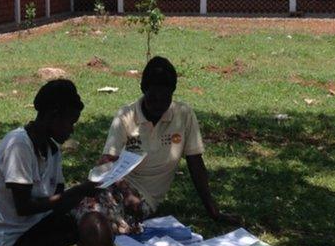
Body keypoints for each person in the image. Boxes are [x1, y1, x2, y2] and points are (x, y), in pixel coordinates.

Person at [87, 56, 237, 229]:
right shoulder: (126, 115)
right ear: (143, 89)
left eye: (164, 99)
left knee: (102, 221)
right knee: (84, 204)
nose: (158, 105)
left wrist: (214, 211)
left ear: (172, 93)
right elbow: (107, 162)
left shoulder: (184, 115)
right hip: (116, 184)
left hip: (143, 198)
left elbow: (195, 163)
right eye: (153, 98)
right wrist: (125, 190)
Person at [0, 79, 98, 246]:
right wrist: (77, 191)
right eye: (70, 122)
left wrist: (84, 196)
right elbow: (24, 206)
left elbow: (58, 203)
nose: (72, 130)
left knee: (93, 232)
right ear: (53, 116)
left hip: (41, 227)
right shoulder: (18, 145)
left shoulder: (52, 150)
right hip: (15, 240)